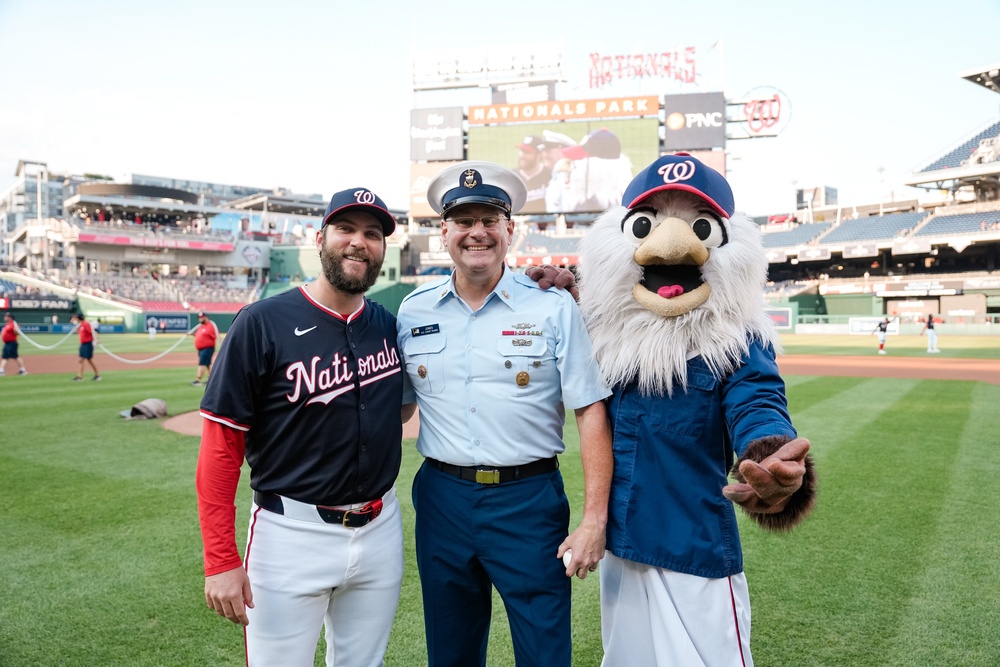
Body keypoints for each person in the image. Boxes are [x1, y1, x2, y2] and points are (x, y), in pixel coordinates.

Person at [396, 161, 614, 667]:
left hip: (528, 502)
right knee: (450, 653)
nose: (478, 232)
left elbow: (589, 410)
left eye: (490, 219)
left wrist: (593, 520)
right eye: (464, 221)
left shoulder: (553, 306)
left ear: (510, 230)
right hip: (442, 499)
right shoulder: (414, 310)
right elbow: (399, 407)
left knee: (543, 651)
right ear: (444, 232)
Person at [196, 187, 405, 667]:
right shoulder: (261, 322)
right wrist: (221, 560)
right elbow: (221, 448)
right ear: (320, 237)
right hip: (290, 534)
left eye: (372, 234)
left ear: (383, 250)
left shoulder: (388, 326)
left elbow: (399, 410)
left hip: (380, 529)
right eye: (346, 229)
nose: (359, 242)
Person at [514, 135, 552, 214]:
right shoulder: (511, 177)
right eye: (521, 150)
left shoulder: (551, 175)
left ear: (540, 155)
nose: (522, 155)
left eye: (527, 152)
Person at [70, 312, 101, 381]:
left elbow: (92, 332)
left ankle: (97, 375)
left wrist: (97, 339)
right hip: (83, 344)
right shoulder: (80, 325)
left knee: (88, 360)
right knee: (82, 360)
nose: (76, 319)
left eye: (77, 318)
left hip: (87, 344)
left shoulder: (86, 324)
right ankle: (80, 376)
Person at [191, 311, 219, 385]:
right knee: (207, 364)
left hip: (207, 348)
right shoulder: (201, 326)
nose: (200, 319)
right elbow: (200, 335)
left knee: (202, 363)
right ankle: (211, 378)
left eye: (201, 317)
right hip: (201, 349)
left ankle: (198, 379)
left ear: (206, 317)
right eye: (199, 318)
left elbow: (215, 335)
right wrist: (193, 334)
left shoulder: (210, 326)